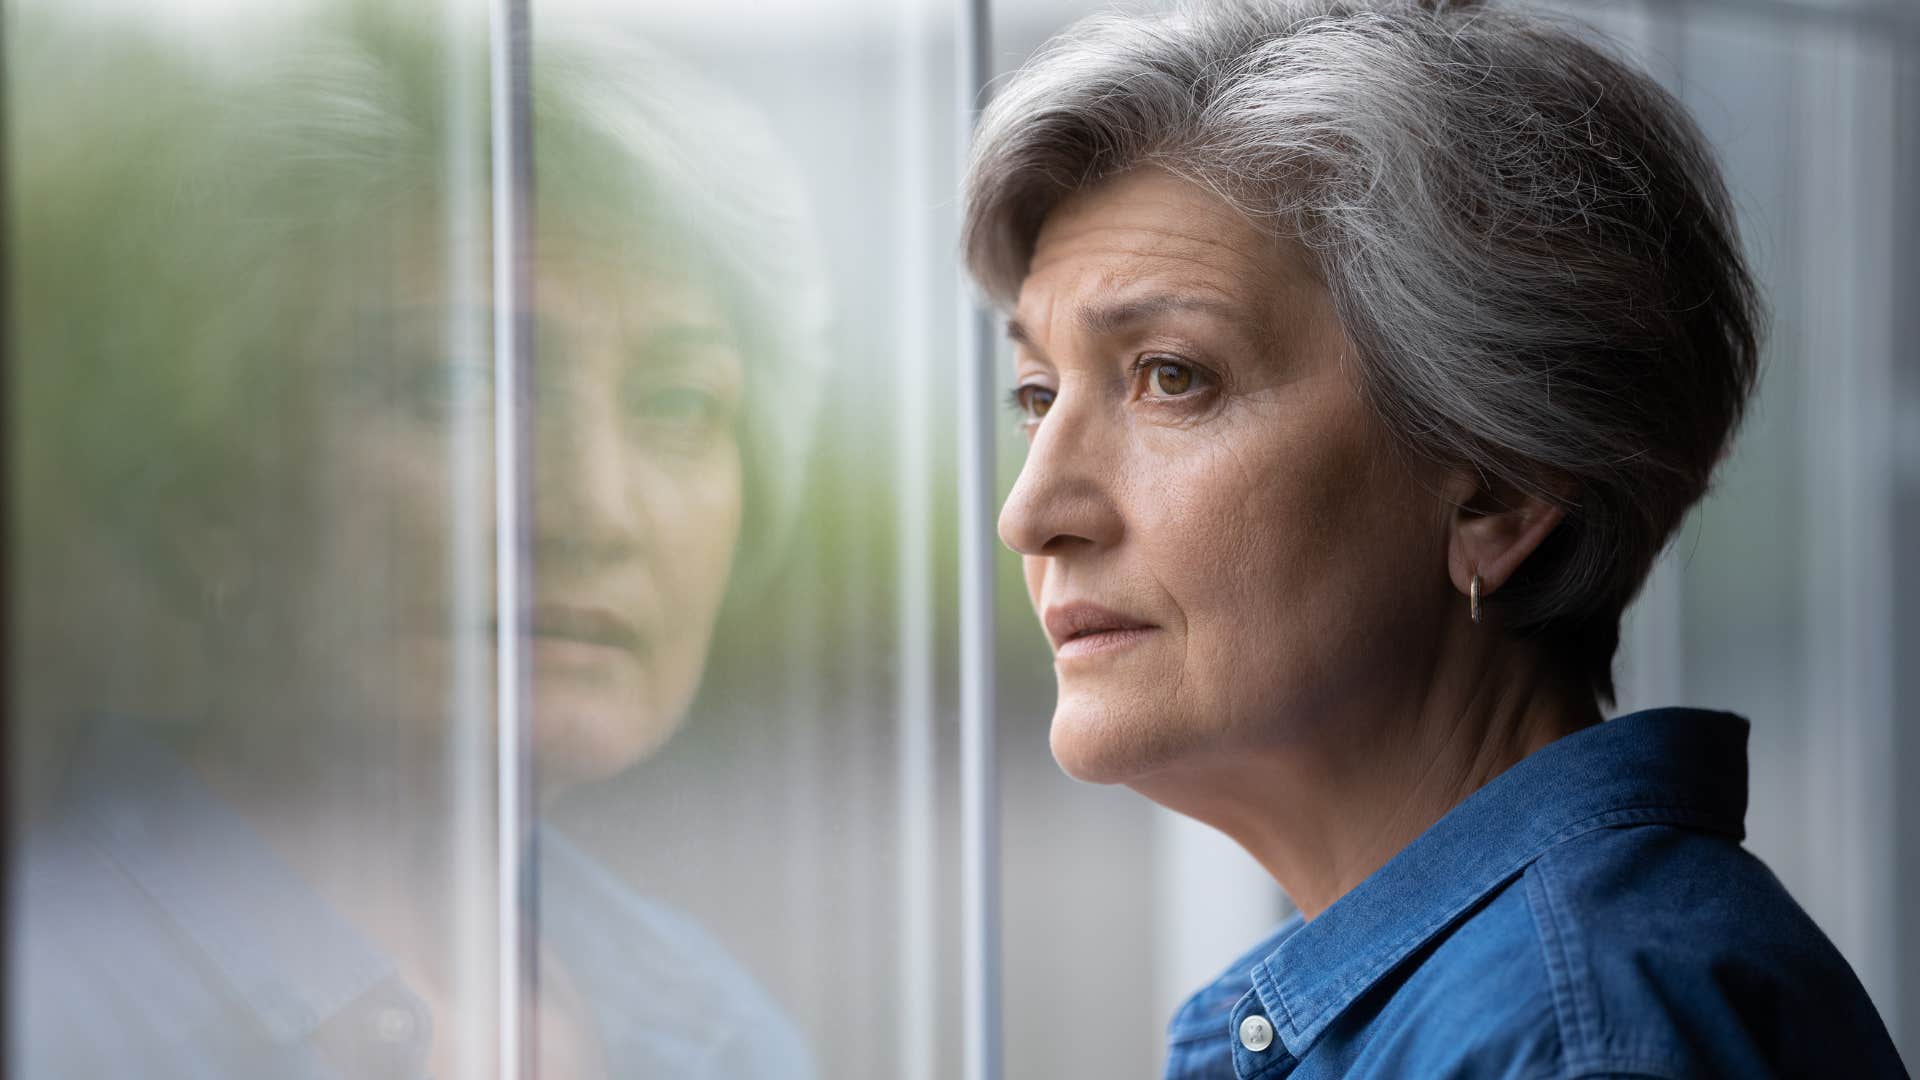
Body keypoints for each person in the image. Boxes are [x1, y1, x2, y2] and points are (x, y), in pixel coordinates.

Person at [962, 1, 1907, 1076]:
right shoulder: (1494, 1003)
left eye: (1173, 377)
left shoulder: (1573, 1043)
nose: (1029, 513)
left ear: (1498, 493)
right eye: (1036, 393)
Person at [9, 5, 822, 1077]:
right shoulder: (54, 1005)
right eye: (453, 385)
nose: (597, 513)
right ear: (207, 485)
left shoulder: (719, 1028)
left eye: (678, 405)